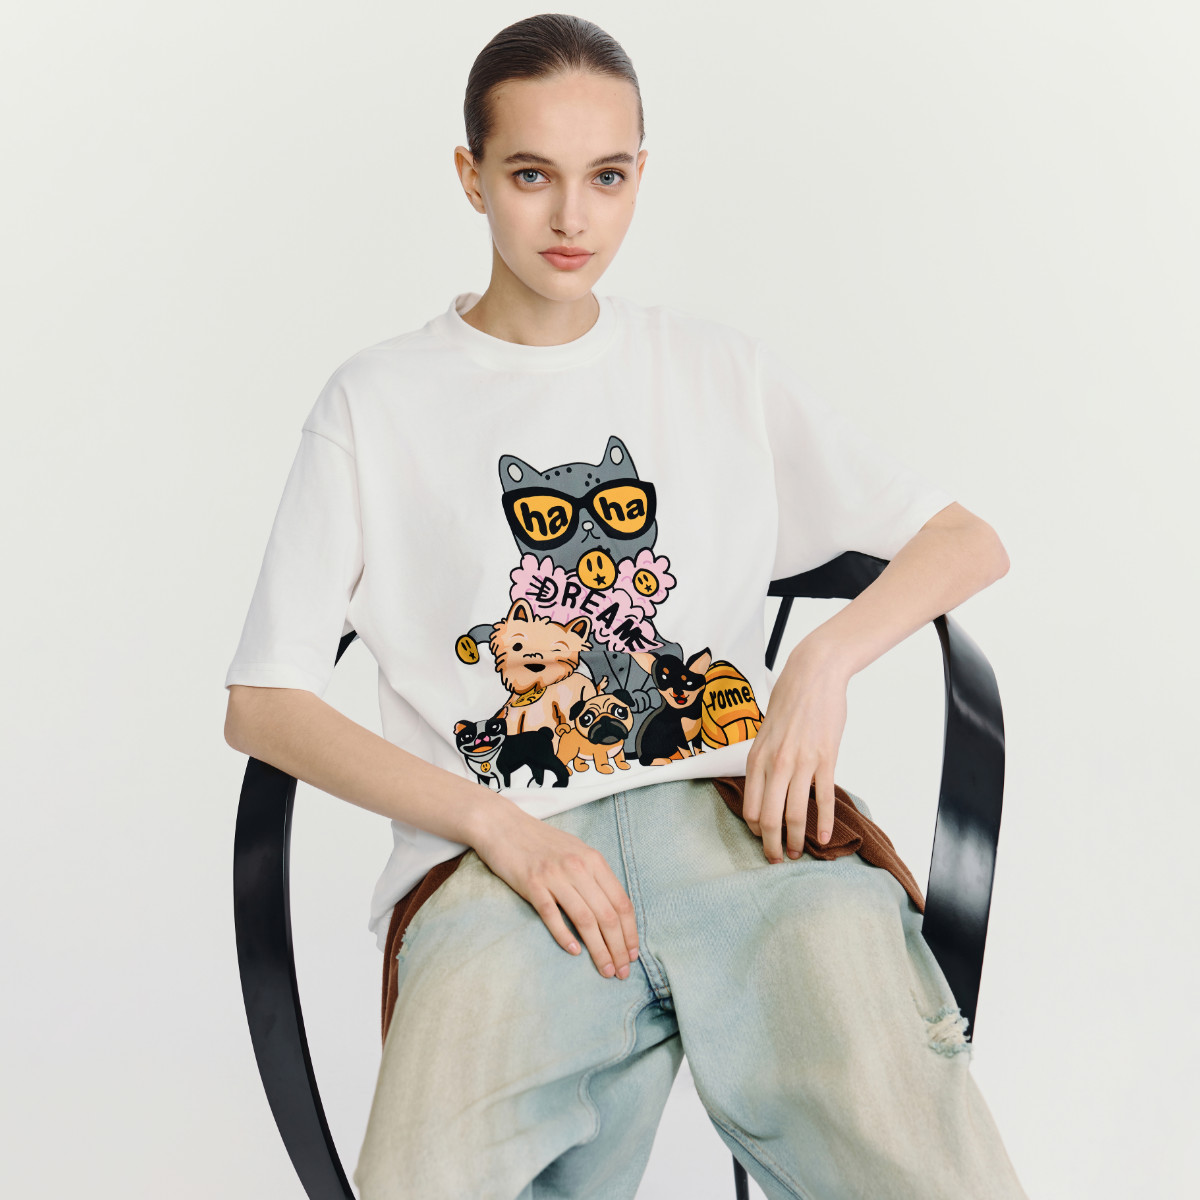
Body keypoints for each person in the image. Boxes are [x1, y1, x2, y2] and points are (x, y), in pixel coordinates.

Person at [224, 14, 1025, 1199]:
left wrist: (822, 663)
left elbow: (964, 540)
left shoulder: (715, 369)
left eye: (605, 177)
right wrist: (496, 826)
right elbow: (263, 701)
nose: (571, 217)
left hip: (734, 833)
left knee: (905, 1127)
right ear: (471, 177)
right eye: (530, 175)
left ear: (641, 175)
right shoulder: (376, 402)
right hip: (504, 863)